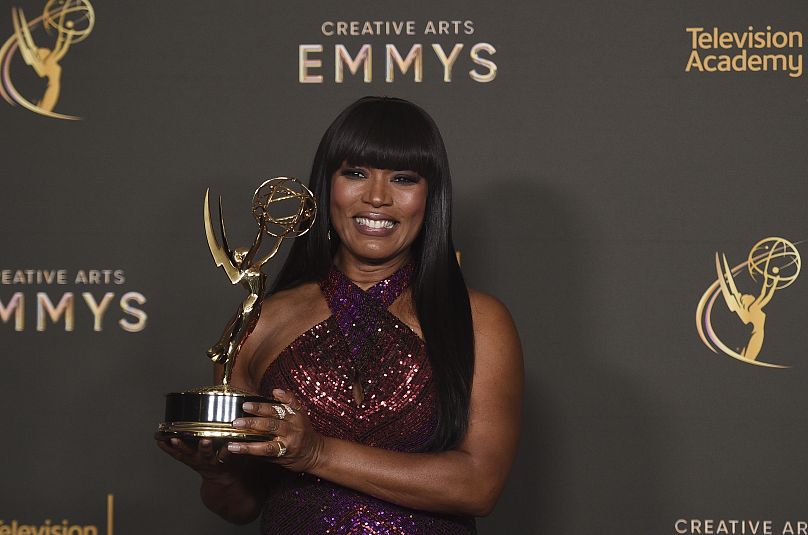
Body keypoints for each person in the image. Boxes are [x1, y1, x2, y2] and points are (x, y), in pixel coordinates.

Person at [158, 96, 523, 534]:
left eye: (403, 179)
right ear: (324, 186)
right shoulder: (262, 321)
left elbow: (479, 485)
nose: (376, 197)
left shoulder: (478, 320)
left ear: (431, 197)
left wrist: (316, 453)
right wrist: (217, 474)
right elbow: (240, 506)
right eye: (355, 173)